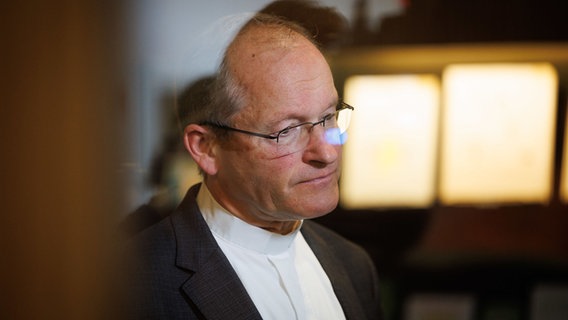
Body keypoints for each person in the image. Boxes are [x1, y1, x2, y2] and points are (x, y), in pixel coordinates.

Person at [123, 12, 383, 320]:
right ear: (207, 148)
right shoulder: (130, 286)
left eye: (328, 117)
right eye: (287, 131)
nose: (327, 152)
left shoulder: (352, 264)